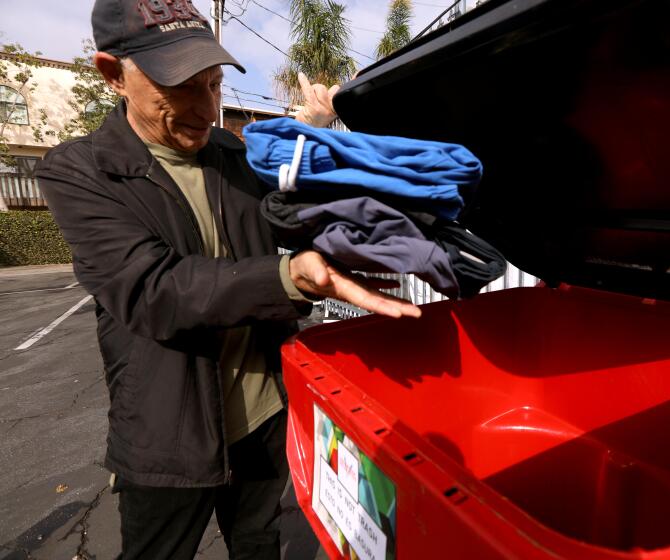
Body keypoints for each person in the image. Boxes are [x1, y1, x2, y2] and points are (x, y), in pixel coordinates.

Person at [34, 1, 420, 558]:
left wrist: (330, 124)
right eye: (183, 87)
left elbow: (294, 188)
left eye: (213, 84)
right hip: (168, 436)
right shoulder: (80, 172)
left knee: (259, 545)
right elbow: (152, 291)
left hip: (263, 418)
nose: (205, 107)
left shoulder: (231, 153)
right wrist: (290, 276)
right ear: (114, 74)